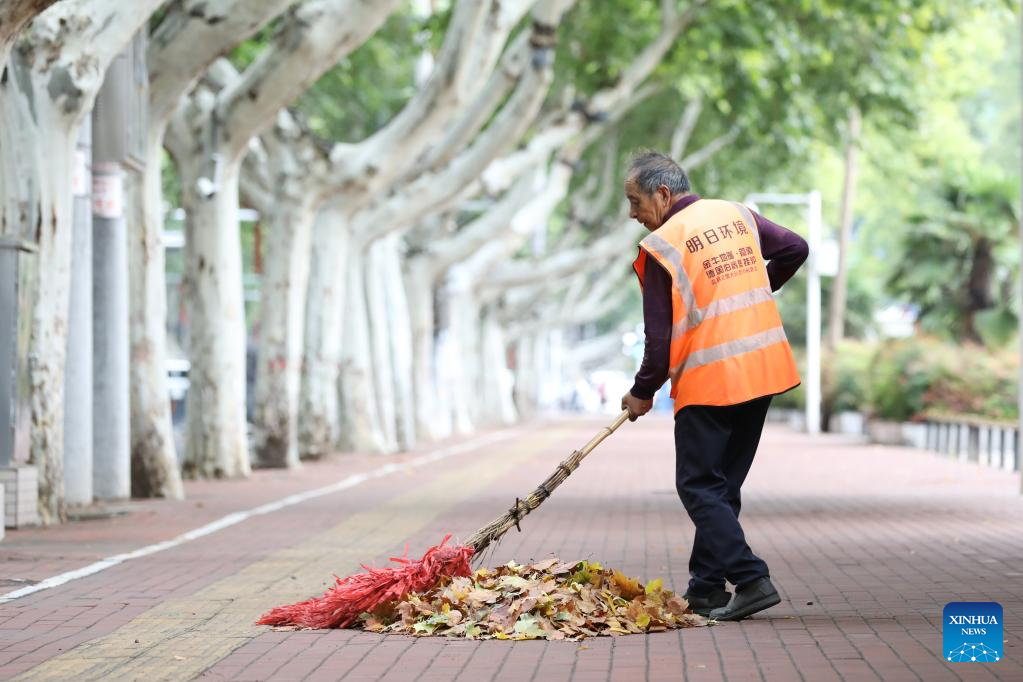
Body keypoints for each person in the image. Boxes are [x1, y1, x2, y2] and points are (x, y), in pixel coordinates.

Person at [620, 151, 808, 621]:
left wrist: (641, 392)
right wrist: (760, 286)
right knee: (723, 485)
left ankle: (750, 578)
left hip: (711, 378)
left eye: (635, 201)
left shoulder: (662, 245)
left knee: (698, 485)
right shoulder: (737, 214)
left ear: (663, 194)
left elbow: (658, 341)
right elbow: (796, 248)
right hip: (762, 367)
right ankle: (705, 588)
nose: (633, 214)